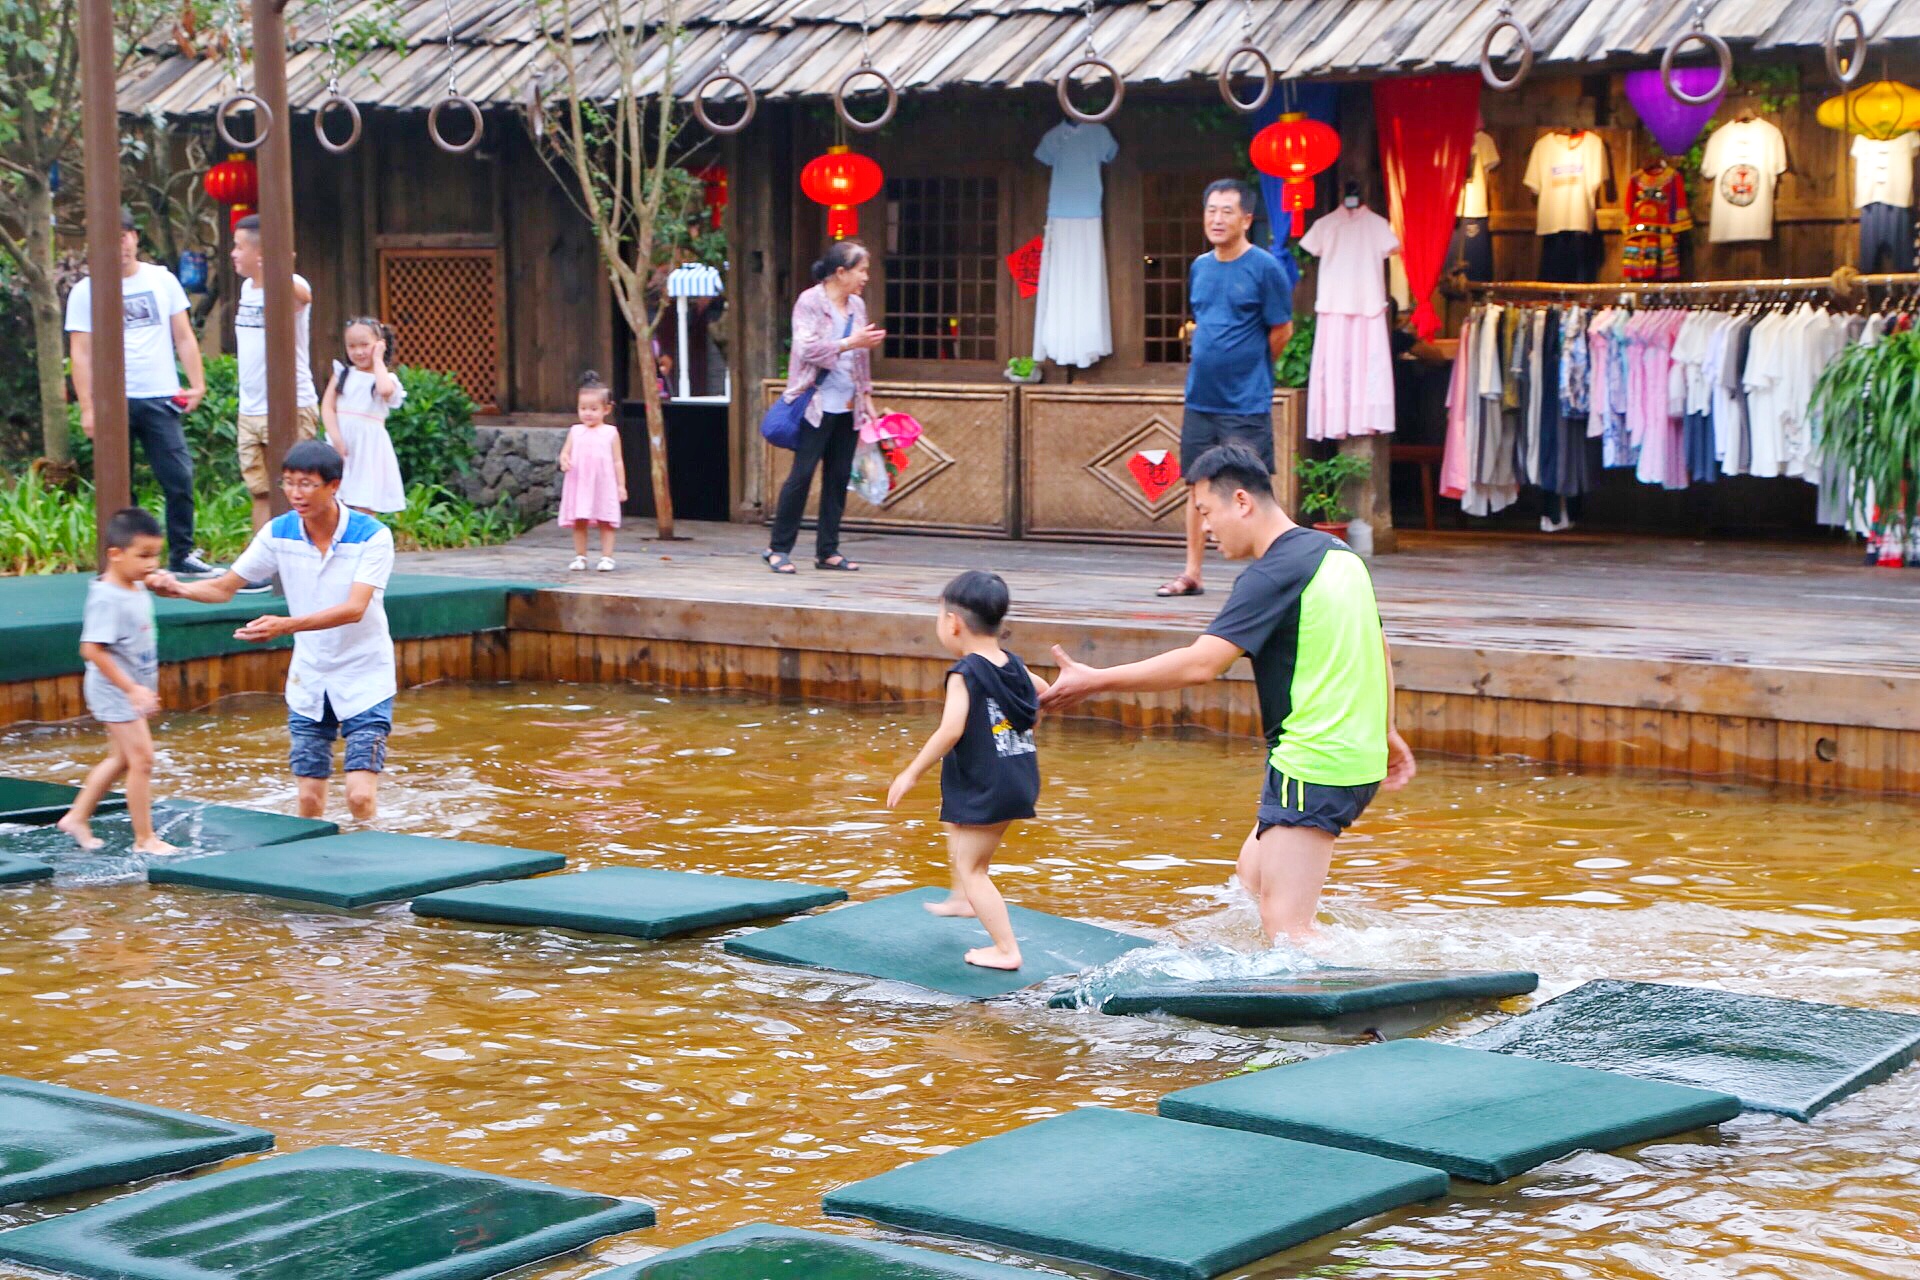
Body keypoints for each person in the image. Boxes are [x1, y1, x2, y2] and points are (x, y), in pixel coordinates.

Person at [1044, 443, 1415, 944]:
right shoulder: (1337, 554)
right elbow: (1378, 644)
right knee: (1251, 876)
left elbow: (1202, 664)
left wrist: (1094, 680)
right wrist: (1387, 729)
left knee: (1286, 926)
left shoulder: (1271, 574)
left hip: (1313, 762)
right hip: (1354, 755)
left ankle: (1351, 1001)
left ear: (1241, 501)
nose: (1205, 528)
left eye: (1205, 512)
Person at [147, 440, 396, 824]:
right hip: (309, 677)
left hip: (366, 675)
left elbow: (354, 608)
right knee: (309, 800)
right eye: (289, 483)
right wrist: (177, 589)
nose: (296, 493)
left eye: (307, 484)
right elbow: (223, 587)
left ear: (333, 486)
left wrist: (286, 625)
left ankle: (370, 861)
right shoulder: (278, 532)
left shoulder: (372, 536)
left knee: (360, 796)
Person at [887, 571, 1048, 971]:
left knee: (975, 868)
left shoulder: (966, 672)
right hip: (1017, 775)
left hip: (989, 783)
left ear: (953, 622)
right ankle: (962, 899)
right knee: (955, 823)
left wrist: (911, 773)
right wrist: (1026, 726)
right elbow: (1043, 690)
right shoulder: (1014, 664)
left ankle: (1006, 949)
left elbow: (951, 729)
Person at [1158, 179, 1294, 599]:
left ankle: (1266, 579)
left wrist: (1252, 369)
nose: (1217, 219)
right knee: (1196, 485)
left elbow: (1282, 330)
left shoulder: (1265, 267)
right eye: (1211, 210)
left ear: (1247, 218)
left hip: (1245, 401)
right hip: (1201, 398)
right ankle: (1193, 572)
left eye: (1227, 211)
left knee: (1249, 487)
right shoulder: (1200, 267)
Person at [66, 210, 217, 576]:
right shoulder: (86, 290)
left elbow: (183, 334)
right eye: (110, 237)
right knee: (119, 486)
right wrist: (87, 408)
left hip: (159, 394)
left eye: (124, 235)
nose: (119, 244)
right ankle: (125, 561)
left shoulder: (160, 280)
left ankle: (182, 554)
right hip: (113, 401)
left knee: (178, 478)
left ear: (135, 238)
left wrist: (197, 383)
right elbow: (81, 353)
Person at [56, 508, 176, 855]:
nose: (151, 564)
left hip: (127, 690)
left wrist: (156, 578)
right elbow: (91, 650)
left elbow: (146, 579)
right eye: (143, 556)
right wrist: (132, 689)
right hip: (114, 690)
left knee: (122, 759)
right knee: (143, 760)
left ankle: (76, 816)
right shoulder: (107, 598)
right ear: (115, 554)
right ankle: (145, 839)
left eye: (156, 555)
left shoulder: (132, 582)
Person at [763, 239, 885, 576]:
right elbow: (807, 349)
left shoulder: (857, 306)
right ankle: (778, 548)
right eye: (861, 270)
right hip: (815, 403)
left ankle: (827, 551)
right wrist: (850, 342)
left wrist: (867, 397)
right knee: (801, 475)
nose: (865, 277)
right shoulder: (810, 302)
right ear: (840, 272)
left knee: (838, 476)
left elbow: (861, 359)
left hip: (848, 405)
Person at [230, 213, 322, 533]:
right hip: (250, 407)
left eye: (239, 247)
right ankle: (263, 564)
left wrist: (278, 262)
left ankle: (305, 556)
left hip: (289, 405)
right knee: (261, 491)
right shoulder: (246, 289)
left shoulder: (291, 284)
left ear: (261, 253)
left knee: (297, 491)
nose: (233, 253)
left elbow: (304, 296)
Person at [321, 317, 406, 516]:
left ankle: (363, 543)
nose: (358, 352)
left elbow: (385, 390)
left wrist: (378, 360)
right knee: (336, 498)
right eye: (352, 346)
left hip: (369, 447)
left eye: (365, 345)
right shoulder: (342, 374)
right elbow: (327, 407)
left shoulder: (386, 378)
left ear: (379, 344)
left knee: (364, 499)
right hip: (341, 442)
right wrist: (336, 438)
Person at [557, 371, 627, 572]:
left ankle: (607, 557)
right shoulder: (575, 431)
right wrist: (565, 461)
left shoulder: (611, 433)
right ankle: (580, 556)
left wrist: (621, 485)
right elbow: (565, 453)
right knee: (580, 520)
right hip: (580, 482)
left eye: (593, 409)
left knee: (606, 519)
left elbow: (617, 461)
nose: (587, 413)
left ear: (606, 409)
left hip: (603, 482)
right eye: (583, 408)